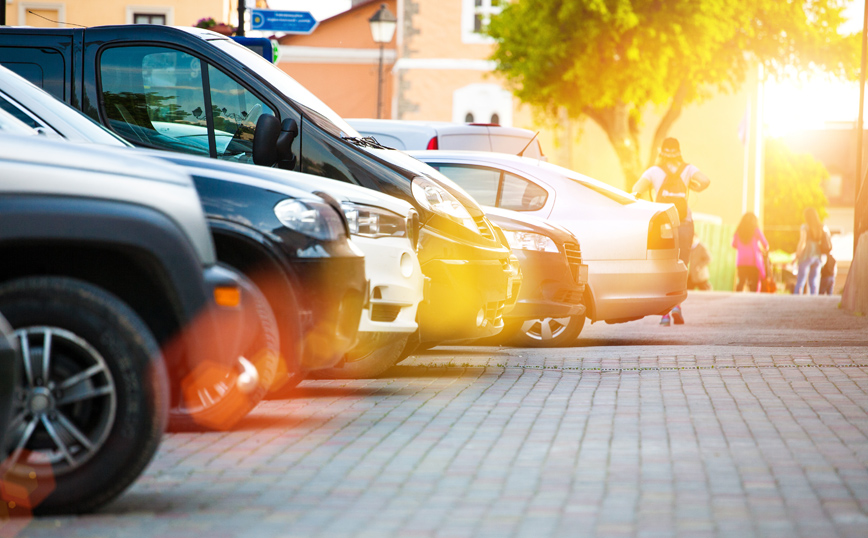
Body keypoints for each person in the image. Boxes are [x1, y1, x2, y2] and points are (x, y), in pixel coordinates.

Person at [631, 137, 710, 326]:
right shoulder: (688, 169)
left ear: (661, 152)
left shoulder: (654, 171)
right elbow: (705, 181)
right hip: (684, 222)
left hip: (663, 223)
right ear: (679, 151)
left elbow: (635, 190)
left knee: (664, 265)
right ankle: (677, 306)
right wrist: (692, 185)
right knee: (682, 264)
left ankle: (665, 313)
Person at [731, 212, 769, 292]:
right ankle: (753, 299)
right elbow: (766, 245)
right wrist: (760, 249)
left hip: (741, 261)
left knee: (741, 282)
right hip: (753, 261)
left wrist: (742, 248)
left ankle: (736, 298)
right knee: (754, 283)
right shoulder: (756, 231)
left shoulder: (739, 231)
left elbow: (734, 244)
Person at [794, 207, 828, 295]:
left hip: (807, 254)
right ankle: (814, 299)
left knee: (801, 280)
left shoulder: (805, 227)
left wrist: (797, 255)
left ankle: (795, 299)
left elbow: (802, 242)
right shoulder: (820, 227)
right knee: (813, 281)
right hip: (817, 256)